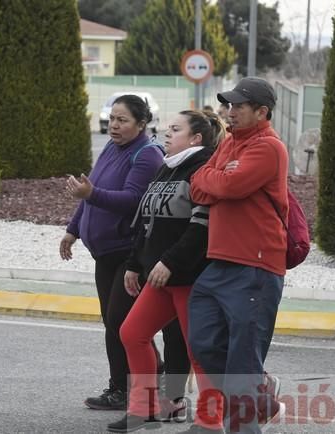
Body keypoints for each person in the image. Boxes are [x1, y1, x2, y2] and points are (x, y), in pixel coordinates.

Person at [61, 94, 186, 411]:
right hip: (103, 253)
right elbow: (91, 190)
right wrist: (73, 229)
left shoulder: (146, 155)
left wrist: (92, 194)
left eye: (122, 120)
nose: (114, 125)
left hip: (128, 254)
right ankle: (128, 382)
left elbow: (133, 200)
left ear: (142, 124)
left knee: (121, 321)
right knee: (113, 321)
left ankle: (132, 384)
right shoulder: (111, 148)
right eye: (112, 119)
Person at [106, 111, 227, 433]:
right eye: (166, 129)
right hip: (159, 278)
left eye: (175, 129)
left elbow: (201, 227)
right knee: (132, 333)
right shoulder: (166, 168)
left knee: (198, 349)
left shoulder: (204, 168)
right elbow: (146, 223)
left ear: (196, 138)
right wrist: (134, 264)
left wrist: (171, 262)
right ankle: (143, 408)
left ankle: (210, 420)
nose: (166, 135)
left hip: (190, 278)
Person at [188, 77, 289, 433]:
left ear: (262, 112)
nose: (230, 113)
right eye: (229, 106)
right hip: (220, 264)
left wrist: (220, 180)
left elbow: (229, 186)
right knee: (201, 342)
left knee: (241, 371)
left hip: (256, 266)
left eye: (238, 107)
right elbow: (197, 185)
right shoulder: (230, 142)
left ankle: (251, 399)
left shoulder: (268, 147)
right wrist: (219, 176)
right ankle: (262, 391)